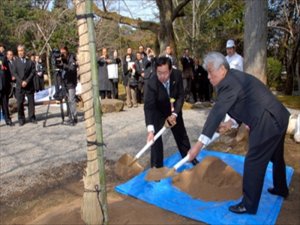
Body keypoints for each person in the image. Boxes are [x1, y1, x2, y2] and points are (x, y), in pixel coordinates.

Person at [188, 52, 290, 215]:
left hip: (268, 121)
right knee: (276, 156)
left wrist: (198, 146)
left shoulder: (228, 84)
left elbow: (216, 113)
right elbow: (243, 103)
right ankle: (280, 188)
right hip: (278, 115)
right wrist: (230, 123)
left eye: (210, 72)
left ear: (222, 69)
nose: (208, 76)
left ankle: (249, 205)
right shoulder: (232, 78)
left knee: (253, 161)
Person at [144, 56, 198, 168]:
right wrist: (150, 130)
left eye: (165, 73)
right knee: (156, 139)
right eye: (159, 73)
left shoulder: (177, 75)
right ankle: (157, 166)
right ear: (155, 71)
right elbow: (149, 107)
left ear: (170, 70)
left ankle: (189, 157)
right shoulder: (152, 82)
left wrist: (175, 114)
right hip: (158, 112)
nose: (162, 76)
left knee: (181, 135)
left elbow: (180, 96)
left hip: (174, 110)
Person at [12, 45, 36, 126]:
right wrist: (21, 81)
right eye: (19, 51)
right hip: (20, 85)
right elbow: (14, 73)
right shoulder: (15, 62)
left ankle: (32, 117)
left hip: (29, 85)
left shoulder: (30, 61)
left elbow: (33, 72)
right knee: (19, 103)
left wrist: (27, 81)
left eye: (22, 50)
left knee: (31, 102)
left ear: (24, 51)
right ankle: (21, 118)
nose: (20, 52)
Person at [59, 46, 78, 125]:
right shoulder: (62, 58)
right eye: (61, 52)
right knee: (67, 100)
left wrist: (64, 65)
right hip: (64, 81)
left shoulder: (72, 57)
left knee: (72, 100)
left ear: (67, 51)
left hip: (71, 82)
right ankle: (70, 116)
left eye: (64, 52)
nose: (62, 54)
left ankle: (74, 117)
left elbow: (72, 69)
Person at [0, 44, 13, 126]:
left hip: (4, 84)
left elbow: (7, 71)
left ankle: (7, 119)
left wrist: (9, 82)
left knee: (5, 103)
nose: (2, 49)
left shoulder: (3, 57)